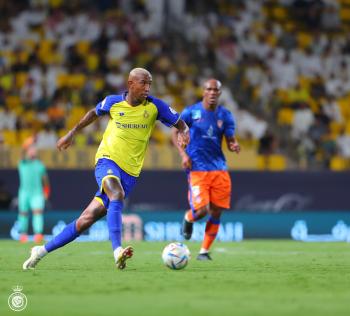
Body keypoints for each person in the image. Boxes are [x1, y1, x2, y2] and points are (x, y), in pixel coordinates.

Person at [23, 68, 189, 270]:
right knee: (116, 193)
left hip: (130, 173)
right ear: (130, 84)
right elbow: (93, 113)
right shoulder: (113, 102)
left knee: (86, 220)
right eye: (143, 83)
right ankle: (117, 251)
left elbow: (181, 124)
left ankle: (40, 251)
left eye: (149, 84)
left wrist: (184, 132)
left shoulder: (155, 107)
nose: (147, 88)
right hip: (107, 160)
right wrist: (71, 132)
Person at [172, 79, 240, 261]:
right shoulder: (190, 112)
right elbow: (175, 131)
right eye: (209, 89)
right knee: (201, 211)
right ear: (203, 91)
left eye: (215, 90)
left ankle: (204, 251)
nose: (212, 92)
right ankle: (188, 218)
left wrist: (233, 144)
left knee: (217, 211)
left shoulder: (225, 115)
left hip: (219, 168)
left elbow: (230, 138)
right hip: (197, 168)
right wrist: (183, 154)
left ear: (219, 93)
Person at [17, 145, 50, 243]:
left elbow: (45, 181)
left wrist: (46, 192)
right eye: (30, 150)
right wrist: (25, 146)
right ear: (27, 151)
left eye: (34, 150)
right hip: (24, 192)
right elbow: (21, 154)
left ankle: (38, 235)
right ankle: (23, 235)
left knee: (38, 213)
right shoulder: (22, 163)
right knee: (23, 214)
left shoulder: (40, 165)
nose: (32, 152)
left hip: (37, 193)